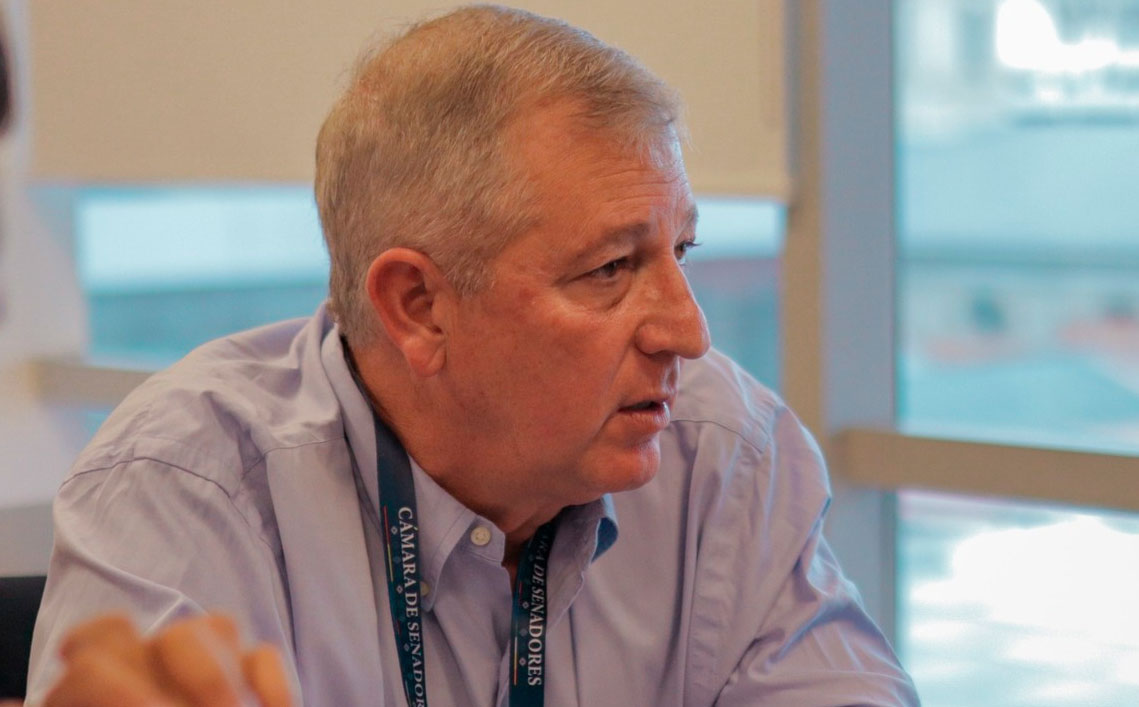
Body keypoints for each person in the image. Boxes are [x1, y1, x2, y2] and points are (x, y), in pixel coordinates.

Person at [26, 5, 919, 706]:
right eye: (610, 268)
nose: (687, 333)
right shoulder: (186, 487)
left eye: (678, 252)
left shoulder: (722, 453)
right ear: (417, 307)